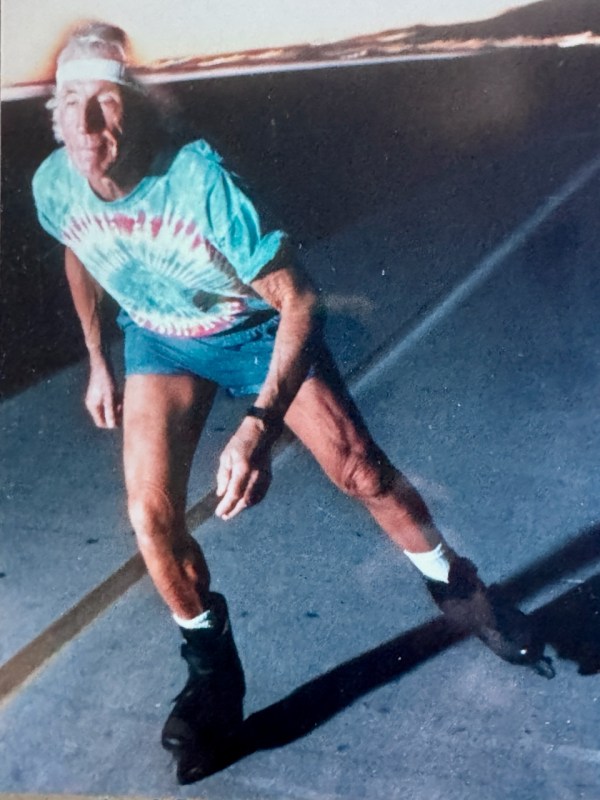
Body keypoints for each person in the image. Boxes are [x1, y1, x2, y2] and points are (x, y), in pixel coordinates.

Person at [32, 22, 545, 785]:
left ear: (133, 108)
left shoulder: (199, 181)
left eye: (103, 101)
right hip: (161, 341)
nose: (85, 122)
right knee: (149, 515)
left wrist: (260, 424)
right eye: (70, 100)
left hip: (254, 331)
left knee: (360, 470)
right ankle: (213, 677)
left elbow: (299, 299)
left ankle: (461, 589)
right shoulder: (53, 183)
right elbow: (79, 246)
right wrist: (97, 357)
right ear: (53, 112)